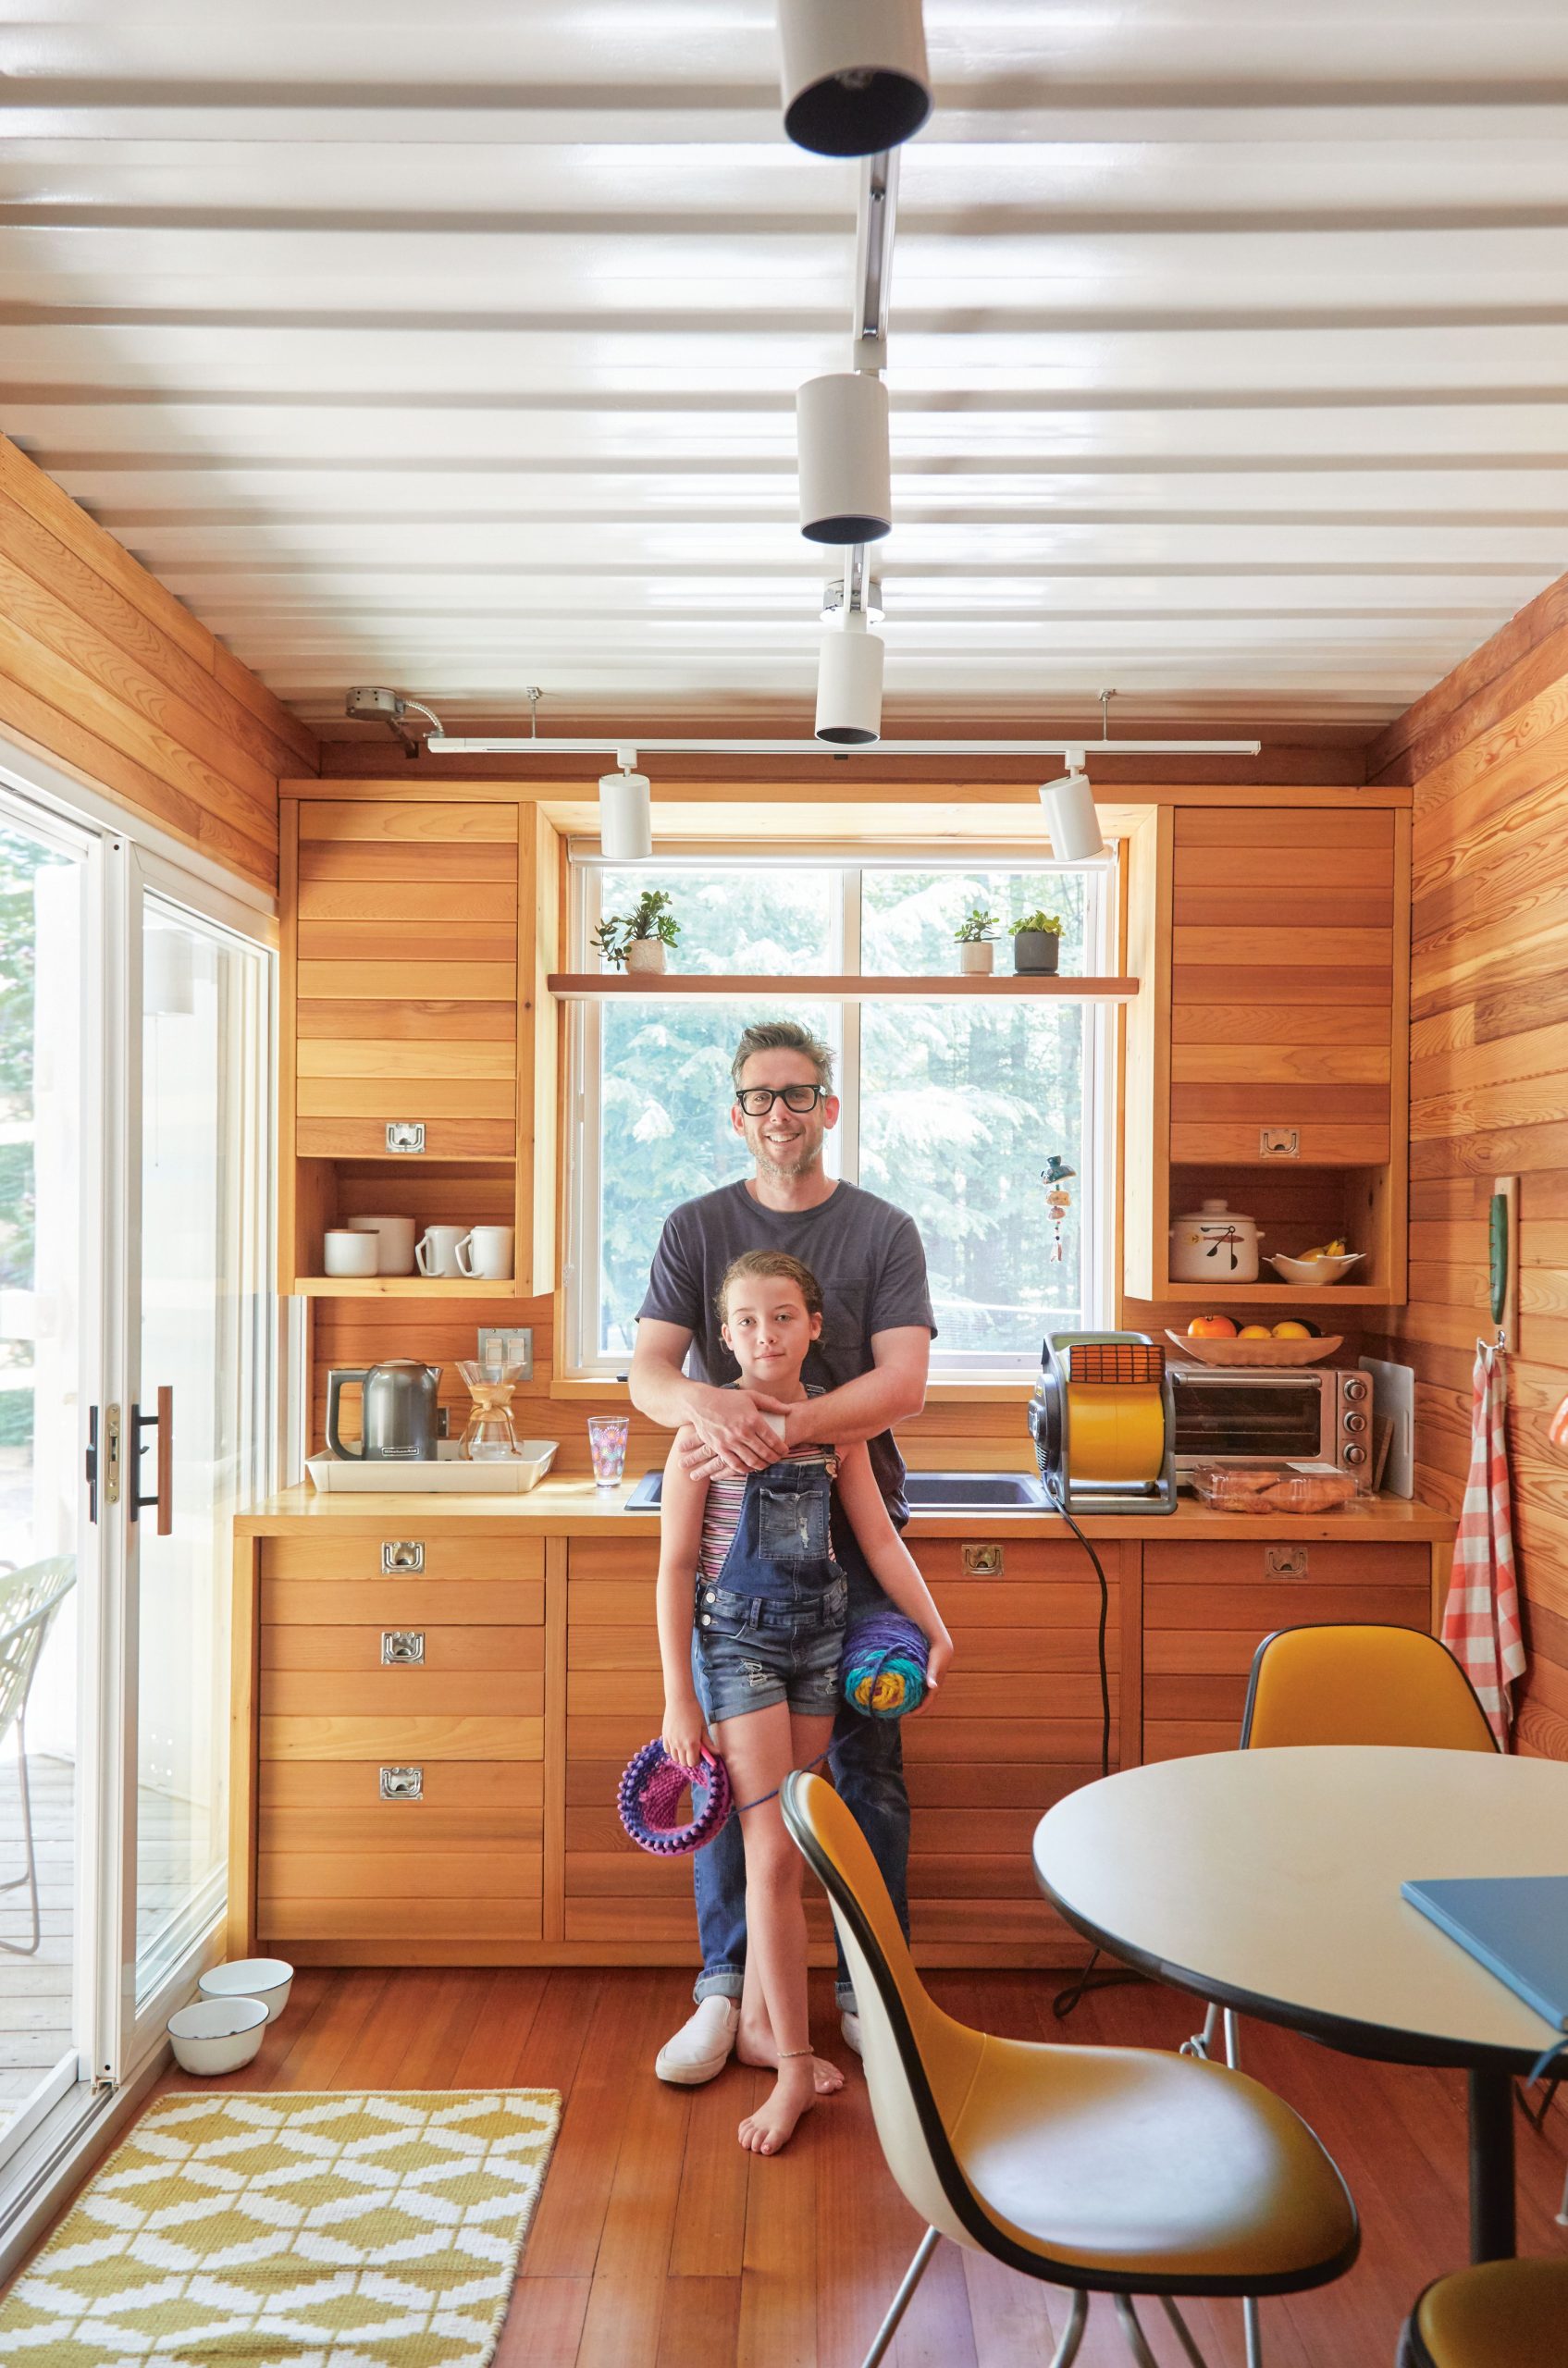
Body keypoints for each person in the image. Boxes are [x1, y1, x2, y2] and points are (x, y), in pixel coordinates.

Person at [629, 1018, 935, 2087]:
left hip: (856, 1539)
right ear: (738, 1114)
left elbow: (903, 1386)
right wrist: (717, 1411)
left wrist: (789, 1431)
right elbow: (649, 1377)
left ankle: (866, 1987)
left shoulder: (884, 1230)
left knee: (868, 1774)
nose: (781, 1113)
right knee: (722, 1766)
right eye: (761, 1096)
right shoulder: (693, 1226)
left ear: (829, 1108)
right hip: (733, 1560)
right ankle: (730, 1990)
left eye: (799, 1093)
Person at [657, 1249, 951, 2155]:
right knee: (772, 1852)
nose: (764, 1335)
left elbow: (879, 1542)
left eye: (782, 1317)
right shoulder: (700, 1434)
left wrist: (936, 1628)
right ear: (723, 1333)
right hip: (737, 1648)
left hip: (819, 1645)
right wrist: (680, 1699)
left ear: (815, 1326)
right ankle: (790, 2066)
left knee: (803, 1832)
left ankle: (760, 2030)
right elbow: (672, 1568)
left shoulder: (836, 1431)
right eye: (745, 1321)